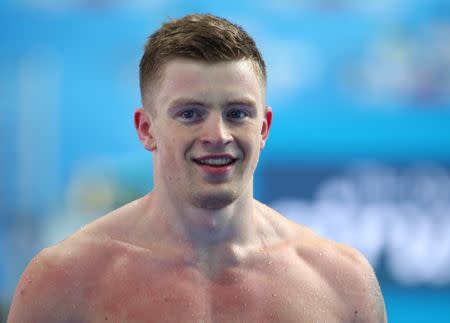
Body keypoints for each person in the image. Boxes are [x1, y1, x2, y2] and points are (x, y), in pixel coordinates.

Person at [8, 14, 387, 322]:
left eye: (237, 113)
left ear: (264, 128)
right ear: (146, 129)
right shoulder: (61, 284)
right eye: (190, 114)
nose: (218, 134)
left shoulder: (342, 284)